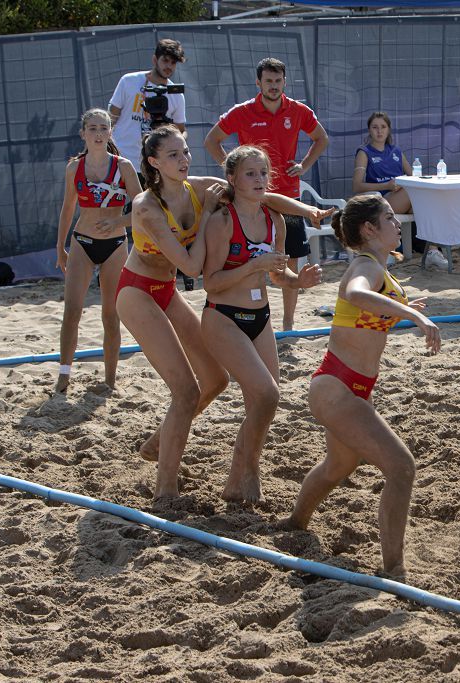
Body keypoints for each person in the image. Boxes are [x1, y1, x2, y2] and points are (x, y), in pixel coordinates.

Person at [120, 125, 331, 500]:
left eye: (185, 151)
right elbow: (189, 267)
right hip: (137, 290)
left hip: (167, 290)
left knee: (215, 382)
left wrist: (309, 211)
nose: (184, 159)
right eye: (173, 155)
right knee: (185, 390)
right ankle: (165, 491)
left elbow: (260, 196)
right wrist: (206, 223)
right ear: (153, 163)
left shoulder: (198, 186)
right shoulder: (147, 207)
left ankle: (160, 442)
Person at [286, 194, 441, 576]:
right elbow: (354, 293)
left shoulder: (379, 269)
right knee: (402, 467)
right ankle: (394, 571)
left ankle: (291, 527)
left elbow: (367, 306)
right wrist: (409, 314)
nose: (398, 223)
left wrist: (405, 308)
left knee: (337, 465)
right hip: (336, 388)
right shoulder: (365, 264)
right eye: (390, 218)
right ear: (369, 229)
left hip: (347, 387)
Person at [201, 146, 324, 503]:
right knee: (267, 394)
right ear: (232, 178)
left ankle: (237, 478)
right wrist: (254, 267)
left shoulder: (276, 220)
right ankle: (248, 470)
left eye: (263, 173)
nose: (259, 180)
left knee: (264, 403)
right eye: (250, 173)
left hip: (260, 317)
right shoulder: (223, 221)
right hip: (223, 317)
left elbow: (278, 274)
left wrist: (298, 282)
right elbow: (211, 282)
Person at [204, 57, 330, 331]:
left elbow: (322, 138)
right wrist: (233, 171)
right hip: (249, 198)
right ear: (258, 82)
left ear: (285, 82)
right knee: (243, 258)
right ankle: (243, 314)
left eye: (278, 81)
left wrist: (304, 165)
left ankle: (287, 322)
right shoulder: (242, 111)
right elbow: (211, 140)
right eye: (268, 81)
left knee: (289, 259)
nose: (273, 86)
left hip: (287, 193)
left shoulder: (297, 110)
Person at [55, 108, 142, 393]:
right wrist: (60, 247)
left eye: (103, 128)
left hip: (115, 245)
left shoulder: (124, 166)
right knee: (72, 311)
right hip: (82, 242)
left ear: (110, 132)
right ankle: (64, 375)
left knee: (110, 314)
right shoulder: (74, 168)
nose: (98, 133)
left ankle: (110, 380)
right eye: (92, 128)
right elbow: (68, 209)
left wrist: (119, 221)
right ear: (83, 133)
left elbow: (143, 209)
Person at [351, 111, 447, 270]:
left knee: (427, 203)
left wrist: (403, 184)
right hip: (378, 201)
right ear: (369, 130)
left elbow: (414, 177)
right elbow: (357, 186)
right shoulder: (364, 152)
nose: (379, 131)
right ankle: (430, 251)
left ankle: (432, 251)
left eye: (383, 127)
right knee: (416, 194)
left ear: (388, 129)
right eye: (375, 127)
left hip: (399, 197)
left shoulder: (395, 151)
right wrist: (386, 185)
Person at [109, 38, 187, 175]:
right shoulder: (129, 81)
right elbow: (111, 118)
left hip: (153, 165)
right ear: (155, 60)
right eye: (165, 60)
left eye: (173, 63)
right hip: (121, 159)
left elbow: (181, 131)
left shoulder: (176, 95)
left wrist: (172, 137)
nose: (169, 66)